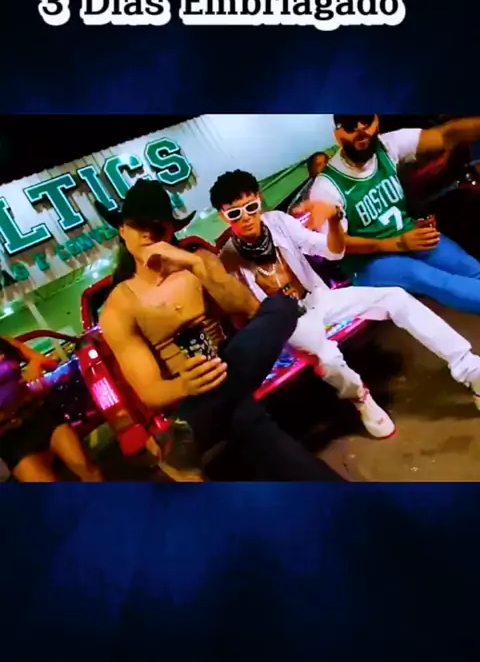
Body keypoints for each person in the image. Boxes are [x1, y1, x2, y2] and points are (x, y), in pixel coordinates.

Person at [96, 179, 344, 482]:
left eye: (156, 223)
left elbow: (252, 311)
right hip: (191, 390)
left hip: (230, 365)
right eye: (138, 224)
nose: (148, 232)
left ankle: (187, 434)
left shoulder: (199, 261)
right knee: (247, 420)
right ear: (122, 231)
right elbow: (150, 391)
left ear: (171, 229)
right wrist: (184, 387)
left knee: (282, 306)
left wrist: (197, 267)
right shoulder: (119, 307)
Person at [209, 169, 480, 439]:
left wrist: (335, 219)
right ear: (223, 216)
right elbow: (242, 316)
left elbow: (332, 251)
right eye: (235, 214)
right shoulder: (227, 259)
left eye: (251, 207)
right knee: (328, 357)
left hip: (318, 298)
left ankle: (470, 369)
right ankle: (360, 398)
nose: (246, 218)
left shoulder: (278, 222)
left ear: (259, 200)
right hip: (289, 322)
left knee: (395, 297)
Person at [308, 114, 480, 314]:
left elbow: (445, 135)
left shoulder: (388, 145)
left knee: (468, 266)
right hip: (368, 263)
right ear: (338, 134)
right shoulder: (326, 187)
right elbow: (337, 247)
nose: (360, 130)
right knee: (428, 278)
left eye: (366, 121)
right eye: (350, 126)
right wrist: (396, 243)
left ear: (376, 121)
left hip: (409, 236)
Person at [0, 337, 103, 482]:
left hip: (39, 414)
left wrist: (35, 364)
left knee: (88, 471)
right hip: (11, 437)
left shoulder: (5, 343)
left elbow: (50, 363)